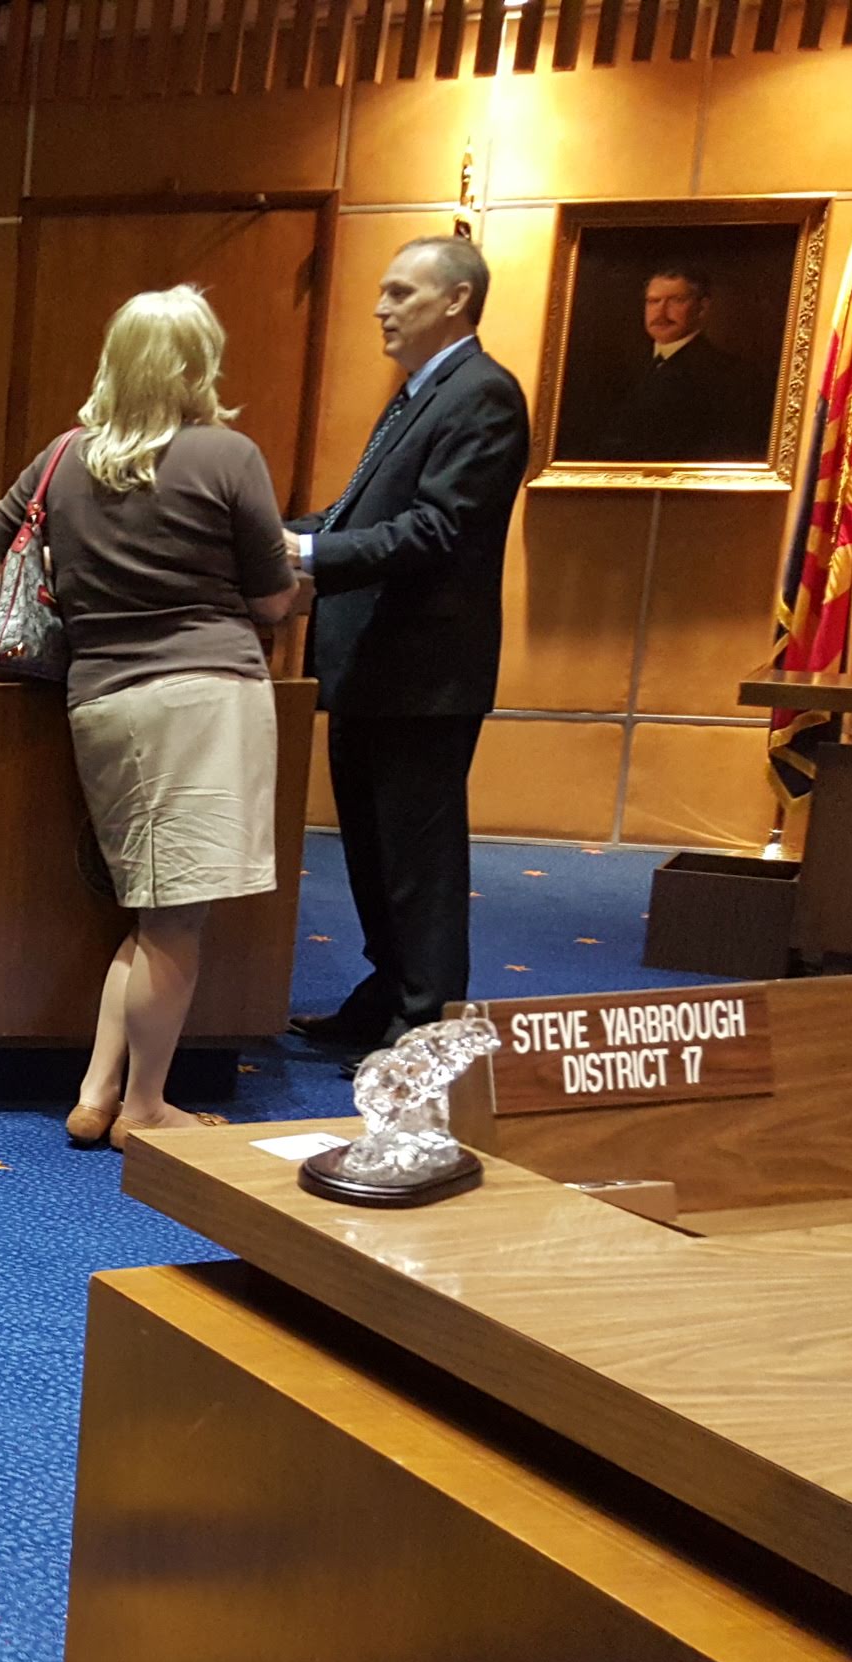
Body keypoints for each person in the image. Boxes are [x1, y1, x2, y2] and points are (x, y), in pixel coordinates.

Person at [0, 288, 302, 1148]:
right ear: (198, 365)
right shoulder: (228, 457)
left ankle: (96, 1092)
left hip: (102, 702)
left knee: (151, 913)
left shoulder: (64, 457)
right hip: (204, 700)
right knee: (177, 921)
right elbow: (271, 598)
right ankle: (145, 1108)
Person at [286, 235, 530, 1066]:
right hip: (371, 668)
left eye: (400, 293)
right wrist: (282, 536)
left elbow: (439, 530)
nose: (381, 309)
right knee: (370, 849)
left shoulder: (483, 395)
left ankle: (425, 1023)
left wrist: (309, 558)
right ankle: (386, 989)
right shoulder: (421, 393)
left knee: (417, 859)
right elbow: (359, 514)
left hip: (424, 674)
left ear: (456, 299)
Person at [572, 265, 769, 463]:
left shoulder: (732, 374)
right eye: (653, 301)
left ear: (702, 307)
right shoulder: (621, 367)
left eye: (677, 300)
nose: (661, 312)